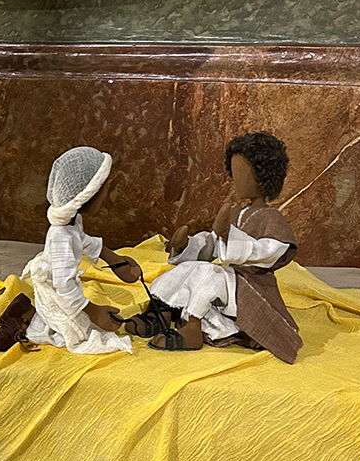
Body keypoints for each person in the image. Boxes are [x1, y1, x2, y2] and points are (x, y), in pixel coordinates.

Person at [122, 131, 303, 363]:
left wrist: (230, 237)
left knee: (209, 274)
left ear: (263, 176)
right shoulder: (236, 213)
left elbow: (271, 251)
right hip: (230, 283)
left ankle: (192, 327)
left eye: (244, 173)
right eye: (235, 173)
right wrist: (187, 245)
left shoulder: (272, 218)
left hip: (252, 286)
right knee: (187, 269)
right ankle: (160, 311)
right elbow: (213, 243)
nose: (237, 180)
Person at [0, 146, 140, 354]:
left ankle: (27, 310)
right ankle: (24, 325)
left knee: (73, 320)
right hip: (54, 288)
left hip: (58, 283)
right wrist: (94, 312)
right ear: (87, 195)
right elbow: (64, 286)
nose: (107, 193)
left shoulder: (72, 222)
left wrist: (116, 260)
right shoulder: (61, 237)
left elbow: (83, 241)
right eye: (104, 188)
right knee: (76, 334)